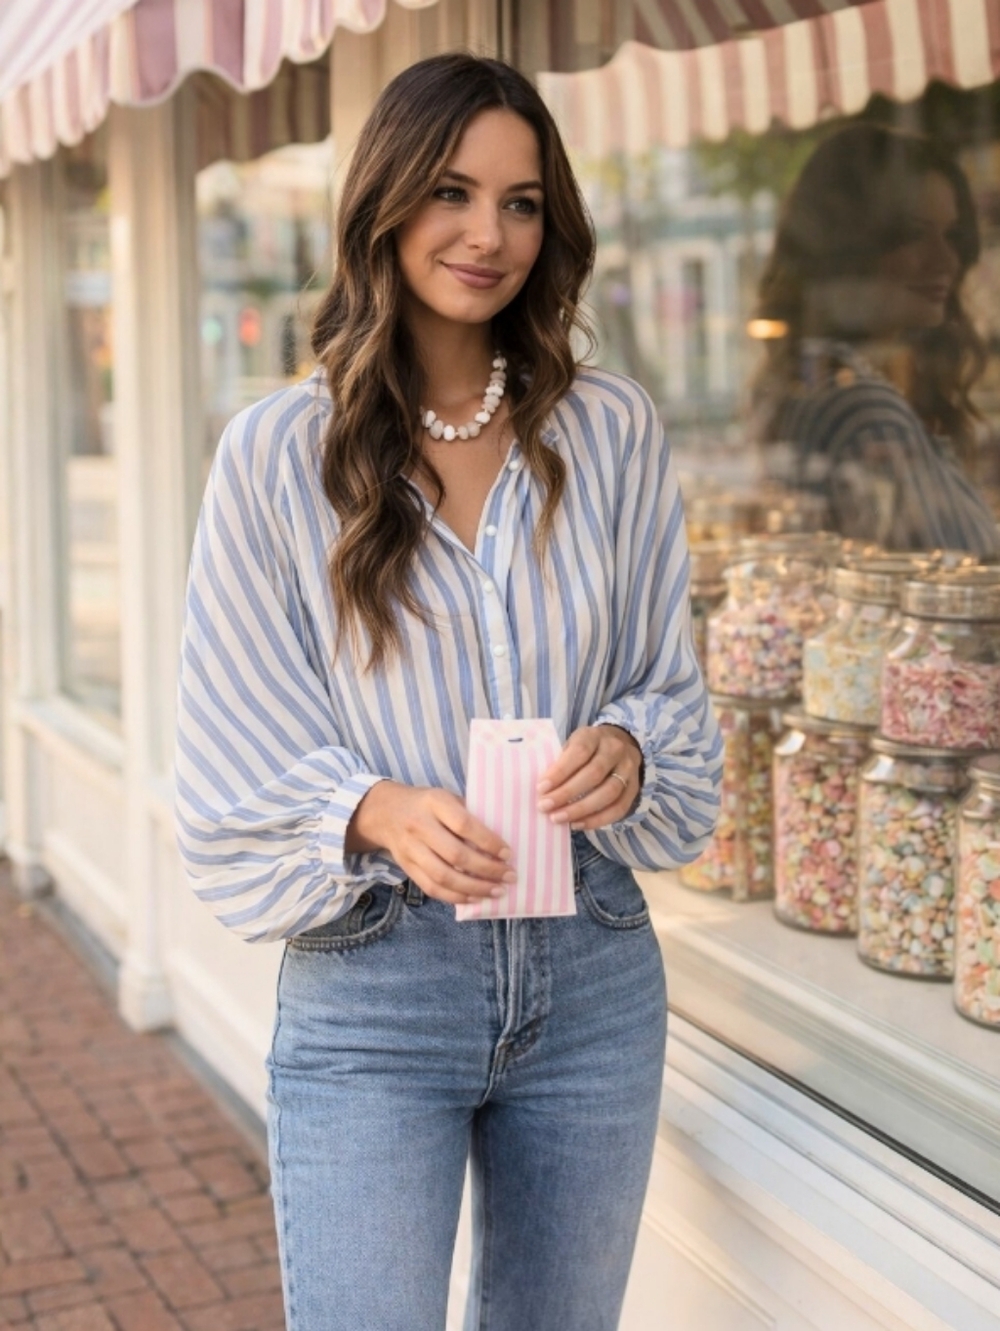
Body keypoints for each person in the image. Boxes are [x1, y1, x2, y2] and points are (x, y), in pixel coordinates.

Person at [175, 53, 721, 1331]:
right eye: (454, 193)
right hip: (375, 983)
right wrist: (373, 806)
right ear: (385, 204)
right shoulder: (273, 459)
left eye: (523, 202)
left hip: (591, 971)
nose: (490, 234)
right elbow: (225, 756)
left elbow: (671, 690)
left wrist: (631, 750)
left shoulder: (614, 432)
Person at [750, 123, 1000, 554]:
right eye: (914, 233)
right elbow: (955, 581)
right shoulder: (863, 405)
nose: (946, 259)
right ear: (852, 248)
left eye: (952, 235)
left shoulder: (817, 386)